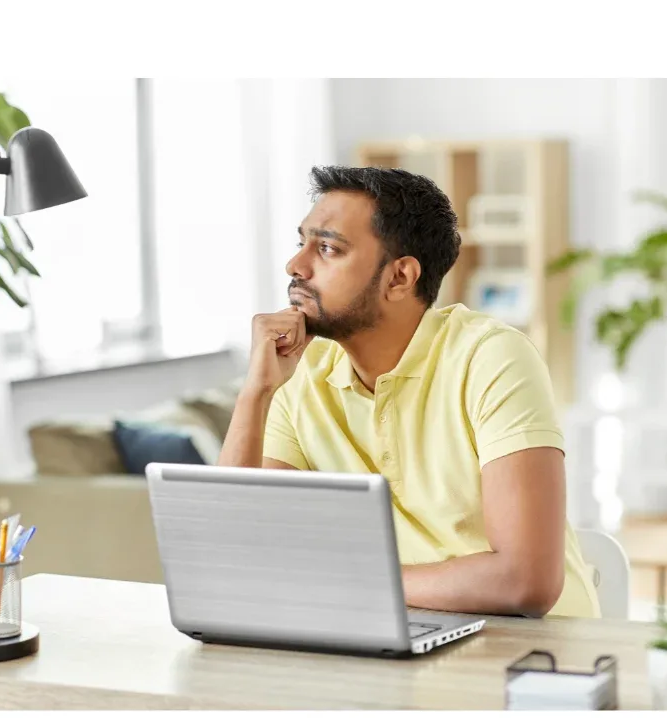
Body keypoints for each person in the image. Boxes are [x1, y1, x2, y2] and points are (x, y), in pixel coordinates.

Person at [217, 165, 600, 618]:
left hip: (537, 654)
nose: (295, 266)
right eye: (301, 243)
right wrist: (255, 393)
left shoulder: (491, 357)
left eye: (327, 248)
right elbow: (233, 555)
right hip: (396, 634)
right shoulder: (299, 373)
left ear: (399, 278)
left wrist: (354, 583)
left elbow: (524, 583)